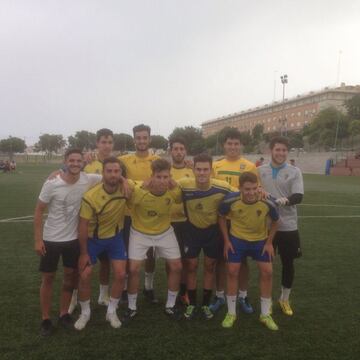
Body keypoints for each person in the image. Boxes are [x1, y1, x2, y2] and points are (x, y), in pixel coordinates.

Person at [33, 149, 102, 336]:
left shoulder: (87, 179)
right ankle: (45, 318)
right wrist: (38, 239)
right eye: (71, 160)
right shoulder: (52, 184)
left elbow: (109, 176)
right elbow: (39, 211)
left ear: (82, 163)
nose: (75, 163)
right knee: (48, 278)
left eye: (78, 160)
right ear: (65, 162)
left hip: (73, 240)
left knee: (70, 276)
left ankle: (63, 313)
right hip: (51, 239)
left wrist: (121, 180)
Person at [74, 157, 130, 330]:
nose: (113, 175)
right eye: (109, 171)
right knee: (85, 274)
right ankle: (85, 313)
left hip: (115, 239)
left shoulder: (126, 188)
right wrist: (83, 253)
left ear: (121, 173)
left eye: (117, 171)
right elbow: (82, 225)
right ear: (103, 173)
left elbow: (149, 183)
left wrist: (125, 181)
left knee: (121, 274)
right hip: (93, 239)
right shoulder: (91, 196)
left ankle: (111, 311)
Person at [177, 153, 235, 320]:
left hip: (212, 232)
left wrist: (260, 191)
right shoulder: (184, 185)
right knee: (192, 266)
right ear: (193, 170)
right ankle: (192, 304)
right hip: (191, 231)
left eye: (205, 169)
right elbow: (166, 184)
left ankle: (205, 305)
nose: (202, 173)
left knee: (210, 266)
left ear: (211, 170)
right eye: (199, 169)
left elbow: (242, 193)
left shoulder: (222, 187)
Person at [219, 172, 279, 331]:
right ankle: (231, 313)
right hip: (237, 240)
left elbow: (276, 221)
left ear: (258, 187)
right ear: (240, 188)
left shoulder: (268, 201)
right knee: (232, 271)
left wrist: (269, 242)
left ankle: (265, 314)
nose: (251, 193)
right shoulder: (230, 200)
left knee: (267, 272)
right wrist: (226, 241)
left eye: (254, 188)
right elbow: (221, 217)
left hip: (260, 241)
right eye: (247, 189)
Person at [123, 159, 182, 321]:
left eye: (165, 177)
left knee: (176, 266)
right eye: (158, 177)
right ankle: (131, 307)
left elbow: (178, 198)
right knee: (134, 269)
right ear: (151, 176)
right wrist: (143, 187)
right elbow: (131, 202)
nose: (162, 181)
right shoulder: (140, 189)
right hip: (140, 233)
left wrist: (174, 183)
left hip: (164, 232)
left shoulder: (172, 190)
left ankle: (170, 305)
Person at [210, 128, 258, 314]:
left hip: (241, 221)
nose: (233, 147)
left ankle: (243, 296)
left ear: (241, 145)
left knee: (243, 261)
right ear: (224, 145)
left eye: (236, 144)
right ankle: (220, 295)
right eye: (229, 143)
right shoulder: (216, 165)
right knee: (221, 260)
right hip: (221, 219)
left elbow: (255, 192)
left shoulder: (249, 166)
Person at [69, 128, 117, 314]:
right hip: (84, 221)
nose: (106, 145)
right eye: (103, 142)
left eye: (109, 142)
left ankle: (103, 295)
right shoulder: (87, 163)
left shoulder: (116, 164)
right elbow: (69, 173)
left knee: (106, 262)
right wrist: (61, 170)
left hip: (106, 223)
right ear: (97, 143)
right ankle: (73, 297)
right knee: (78, 264)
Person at [258, 136, 304, 316]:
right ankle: (266, 301)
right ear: (271, 150)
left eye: (284, 150)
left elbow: (298, 196)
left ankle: (284, 299)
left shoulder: (294, 171)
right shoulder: (260, 170)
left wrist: (286, 201)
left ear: (287, 152)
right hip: (266, 226)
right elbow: (252, 190)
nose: (281, 153)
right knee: (266, 266)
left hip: (288, 226)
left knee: (288, 263)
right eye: (278, 149)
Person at [118, 124, 160, 303]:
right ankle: (126, 289)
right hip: (129, 214)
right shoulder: (124, 160)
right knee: (128, 252)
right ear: (134, 139)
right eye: (138, 138)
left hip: (151, 214)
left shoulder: (158, 160)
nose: (142, 141)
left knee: (151, 253)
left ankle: (148, 287)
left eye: (145, 138)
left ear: (149, 139)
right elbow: (110, 170)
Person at [168, 137, 193, 305]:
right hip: (167, 221)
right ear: (170, 151)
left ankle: (183, 291)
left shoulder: (192, 171)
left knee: (185, 259)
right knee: (170, 260)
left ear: (185, 151)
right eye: (175, 149)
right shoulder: (165, 171)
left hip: (186, 221)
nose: (178, 152)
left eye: (181, 149)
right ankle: (172, 291)